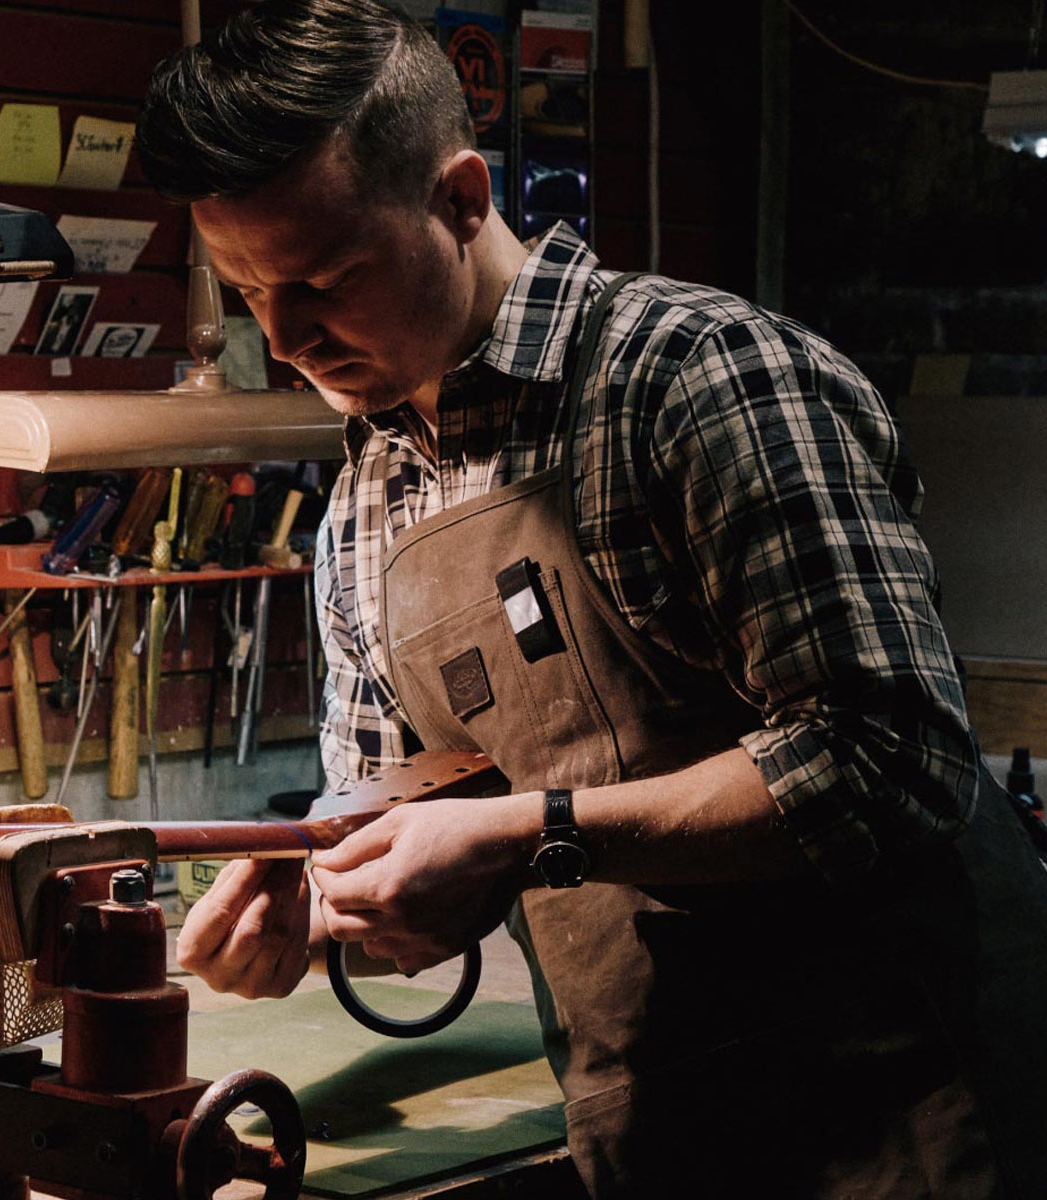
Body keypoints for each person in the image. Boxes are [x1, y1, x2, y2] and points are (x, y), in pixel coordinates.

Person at [135, 3, 1047, 1195]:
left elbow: (892, 755)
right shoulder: (364, 498)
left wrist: (534, 833)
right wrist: (311, 919)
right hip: (660, 1119)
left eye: (327, 275)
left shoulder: (695, 379)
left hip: (916, 1105)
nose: (288, 333)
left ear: (463, 200)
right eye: (249, 289)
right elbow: (411, 829)